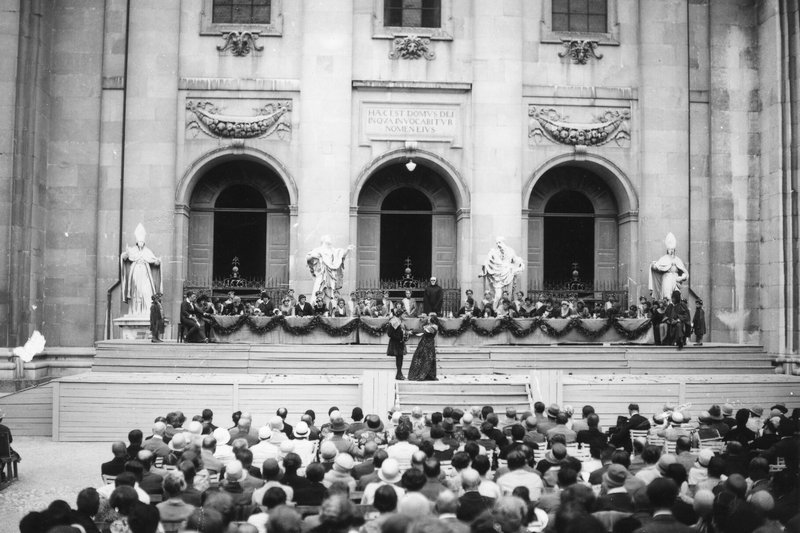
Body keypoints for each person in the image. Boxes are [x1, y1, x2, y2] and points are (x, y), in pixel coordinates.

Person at [120, 223, 162, 316]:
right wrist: (125, 254)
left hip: (145, 274)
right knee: (136, 292)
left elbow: (154, 260)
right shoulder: (132, 250)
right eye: (139, 242)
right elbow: (124, 257)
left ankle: (147, 310)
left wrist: (158, 261)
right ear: (137, 242)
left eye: (142, 242)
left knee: (147, 291)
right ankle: (135, 311)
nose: (141, 244)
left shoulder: (147, 251)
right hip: (135, 274)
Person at [481, 237, 525, 309]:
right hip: (497, 275)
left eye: (499, 242)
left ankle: (507, 310)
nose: (498, 244)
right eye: (497, 243)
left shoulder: (510, 251)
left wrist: (520, 263)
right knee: (498, 295)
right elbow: (487, 261)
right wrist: (484, 268)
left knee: (508, 295)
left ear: (503, 242)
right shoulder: (494, 252)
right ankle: (494, 310)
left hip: (508, 274)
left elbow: (515, 260)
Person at [649, 232, 689, 300]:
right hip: (667, 278)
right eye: (670, 249)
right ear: (667, 250)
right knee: (667, 296)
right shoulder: (663, 258)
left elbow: (685, 273)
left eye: (673, 249)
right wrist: (654, 265)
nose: (671, 251)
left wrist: (681, 278)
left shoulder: (678, 259)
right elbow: (656, 267)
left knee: (677, 296)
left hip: (676, 279)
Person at [408, 314, 439, 381]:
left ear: (432, 319)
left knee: (427, 360)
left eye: (429, 318)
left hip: (428, 345)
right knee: (421, 358)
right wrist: (413, 331)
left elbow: (423, 331)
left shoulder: (434, 327)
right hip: (423, 343)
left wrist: (412, 331)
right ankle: (420, 374)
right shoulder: (428, 326)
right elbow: (421, 332)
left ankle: (423, 375)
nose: (428, 319)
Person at [387, 308, 409, 381]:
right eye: (404, 314)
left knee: (400, 358)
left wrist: (405, 334)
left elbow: (401, 331)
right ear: (400, 314)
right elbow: (390, 333)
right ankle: (399, 374)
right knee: (399, 358)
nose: (405, 315)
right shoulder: (394, 321)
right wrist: (399, 337)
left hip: (400, 342)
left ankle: (399, 373)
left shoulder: (399, 321)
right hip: (396, 342)